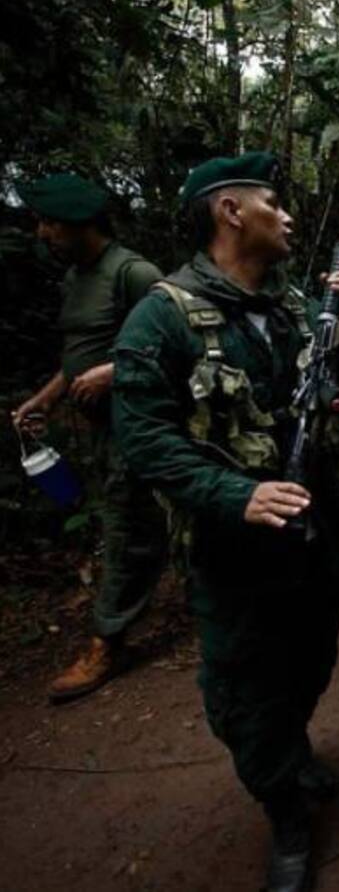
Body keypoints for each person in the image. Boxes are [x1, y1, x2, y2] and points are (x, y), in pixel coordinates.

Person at [111, 152, 339, 891]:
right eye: (271, 201)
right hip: (235, 556)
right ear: (231, 212)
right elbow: (144, 438)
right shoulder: (161, 315)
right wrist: (236, 495)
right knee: (243, 692)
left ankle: (291, 754)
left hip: (314, 537)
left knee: (308, 663)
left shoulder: (297, 307)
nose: (286, 215)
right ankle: (285, 810)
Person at [11, 173, 169, 703]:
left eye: (49, 222)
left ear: (80, 224)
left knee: (128, 527)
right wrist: (46, 397)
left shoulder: (132, 272)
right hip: (97, 431)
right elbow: (82, 349)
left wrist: (115, 373)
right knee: (133, 520)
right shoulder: (76, 278)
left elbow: (180, 342)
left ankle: (108, 640)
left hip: (140, 425)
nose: (41, 233)